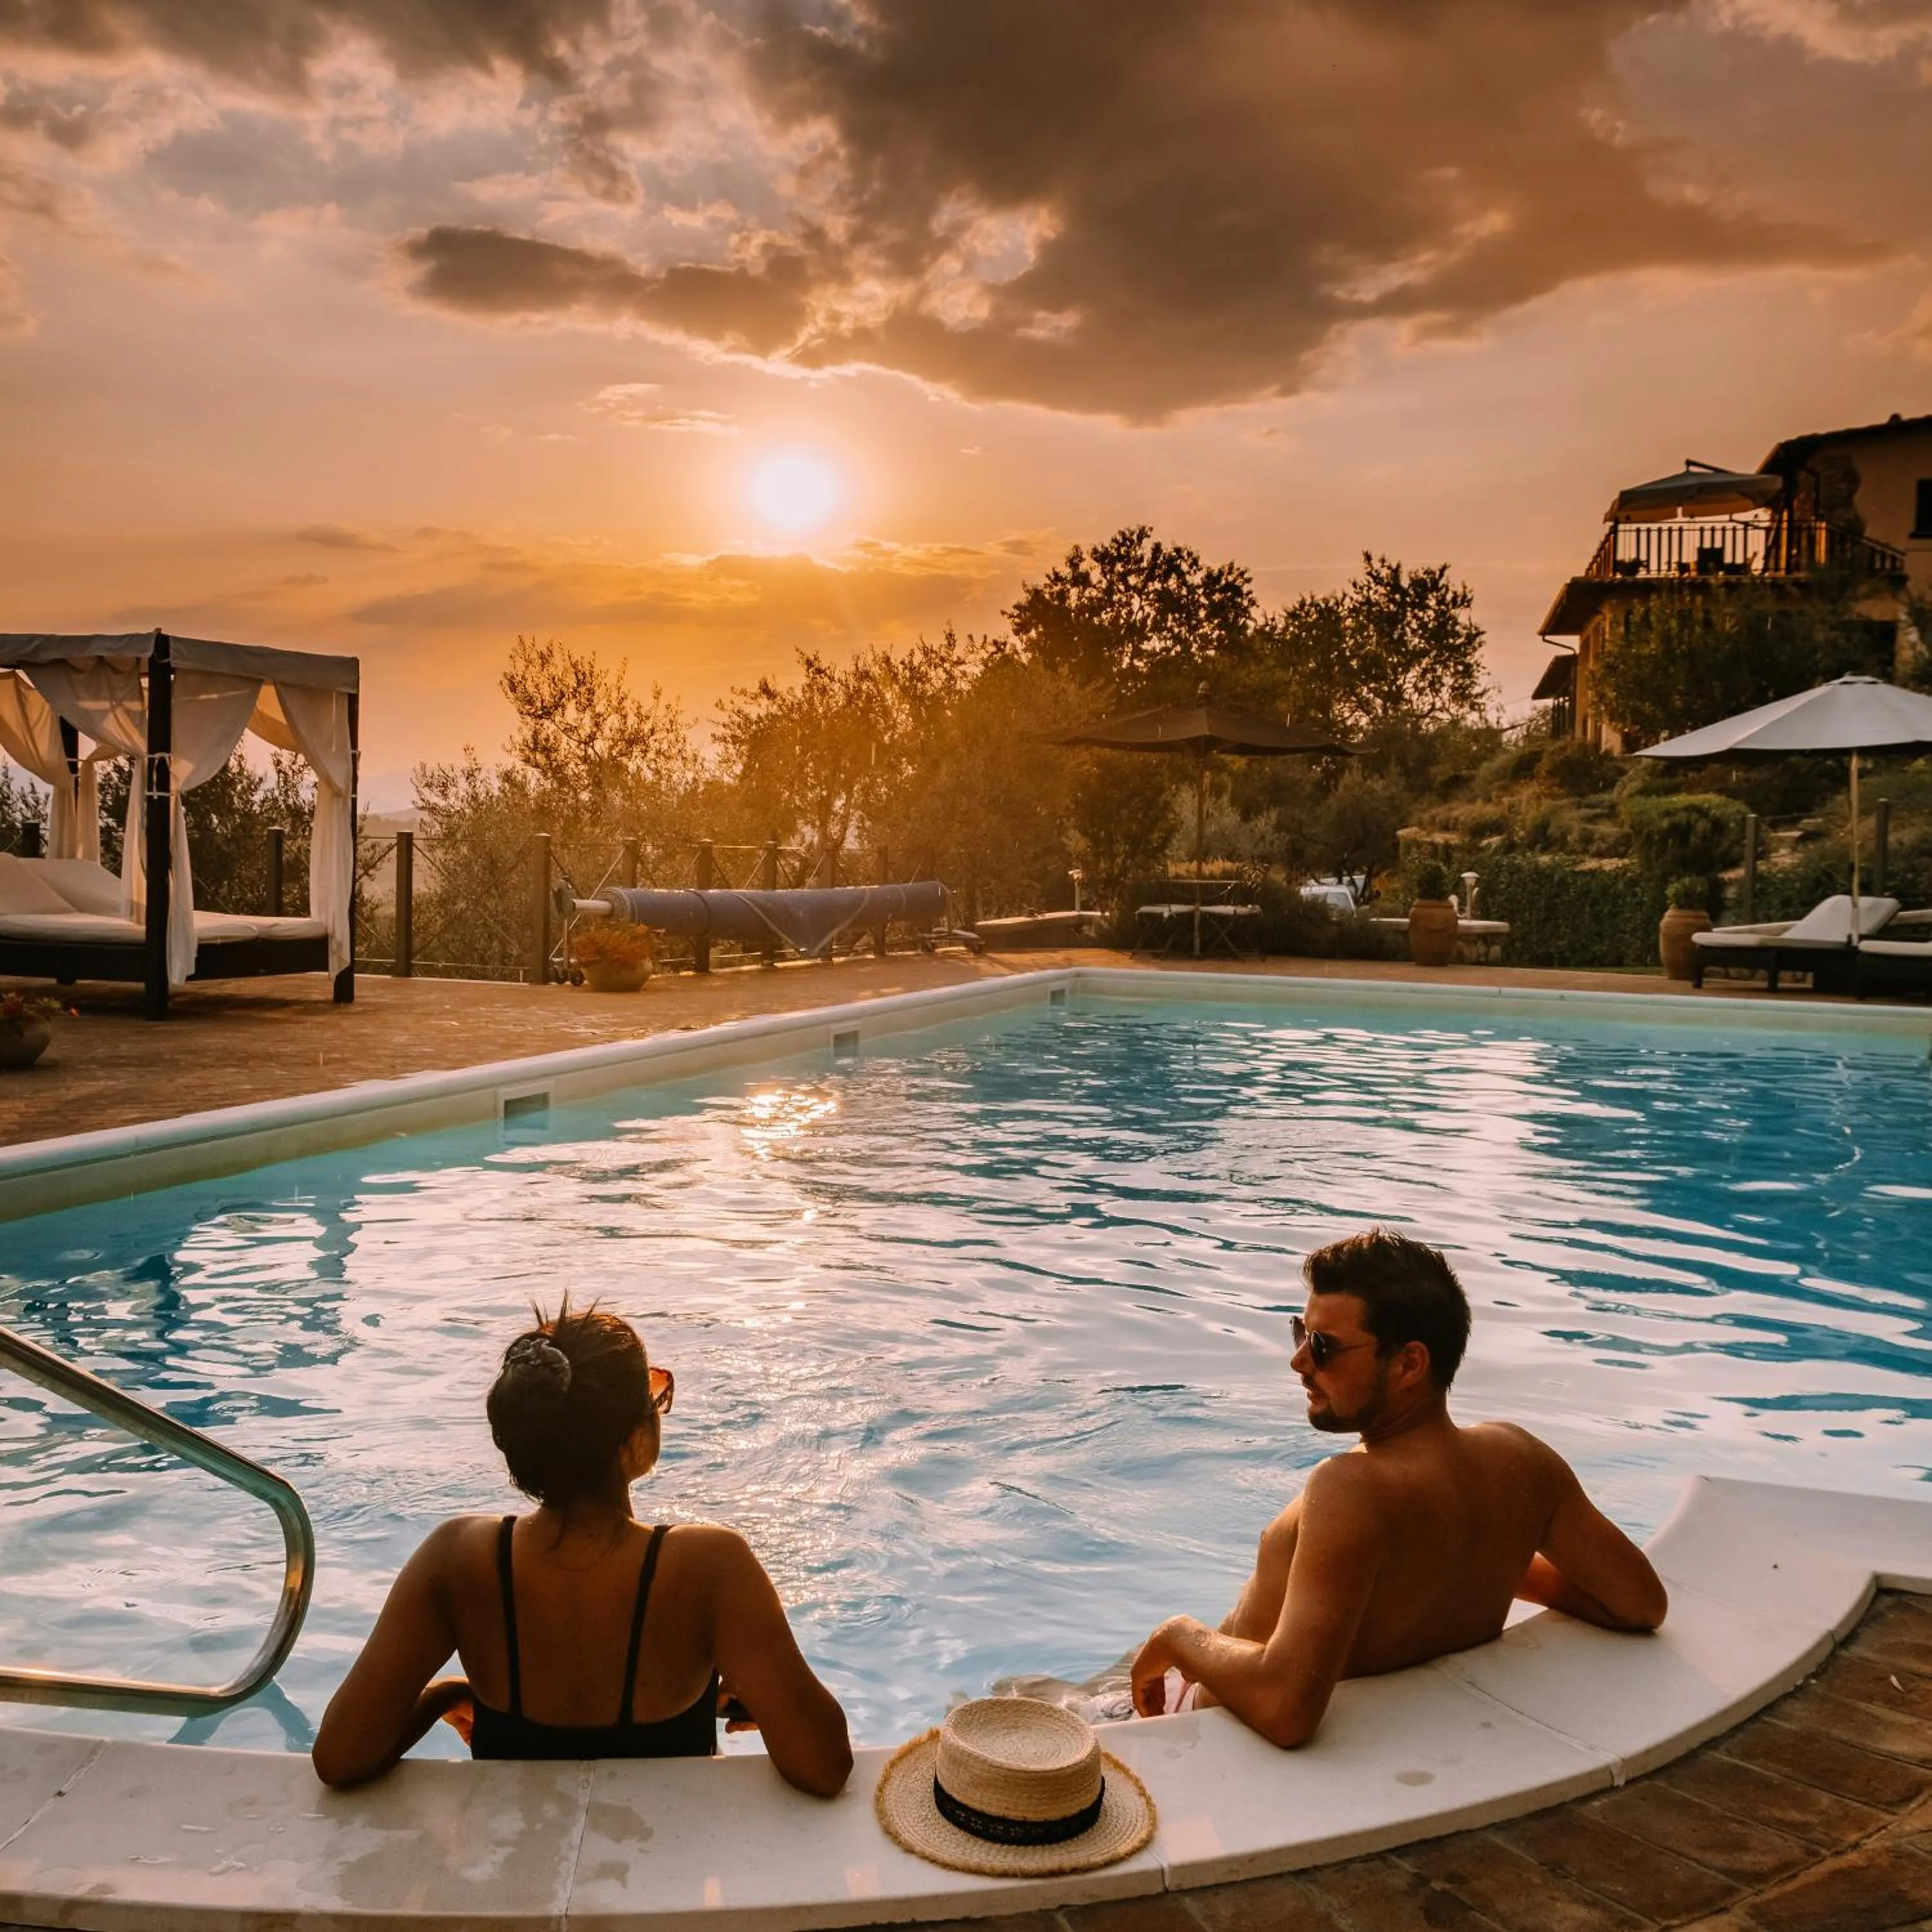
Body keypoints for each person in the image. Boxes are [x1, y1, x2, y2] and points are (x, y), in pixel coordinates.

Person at [1129, 1228, 1667, 1747]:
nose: (1298, 1362)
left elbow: (1285, 1709)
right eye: (1300, 1334)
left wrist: (1177, 1636)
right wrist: (1479, 1560)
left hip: (1210, 1722)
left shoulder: (1349, 1488)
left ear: (1409, 1363)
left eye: (1323, 1346)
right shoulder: (1520, 1461)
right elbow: (1639, 1603)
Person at [312, 1301, 852, 1794]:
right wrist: (765, 1698)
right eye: (656, 1398)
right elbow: (825, 1767)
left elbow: (340, 1758)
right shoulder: (710, 1567)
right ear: (635, 1441)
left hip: (511, 1884)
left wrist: (443, 1696)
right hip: (664, 1878)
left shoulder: (457, 1557)